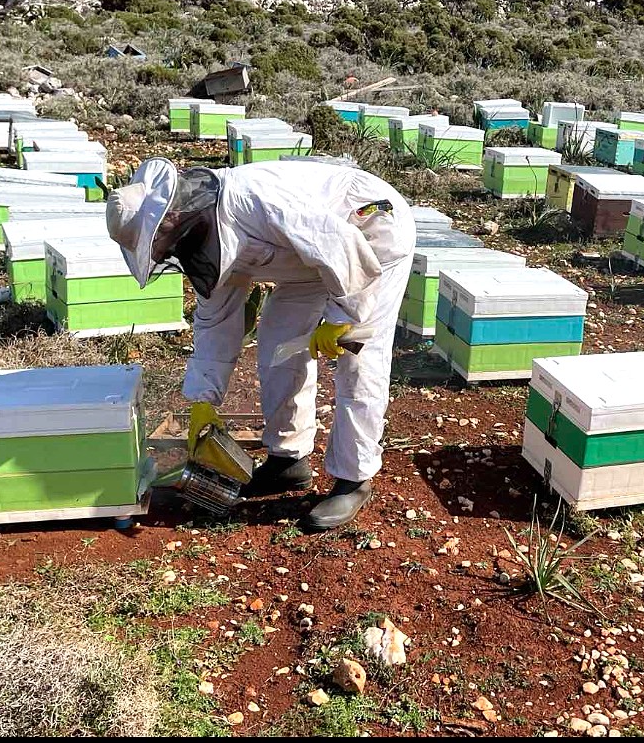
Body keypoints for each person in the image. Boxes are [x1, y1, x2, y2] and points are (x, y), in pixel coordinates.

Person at [105, 156, 415, 531]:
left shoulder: (256, 200)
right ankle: (289, 460)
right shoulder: (200, 236)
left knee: (357, 356)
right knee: (279, 344)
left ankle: (354, 477)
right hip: (308, 262)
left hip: (368, 233)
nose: (163, 253)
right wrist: (204, 399)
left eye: (158, 244)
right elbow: (216, 321)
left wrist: (341, 319)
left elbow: (341, 244)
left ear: (170, 218)